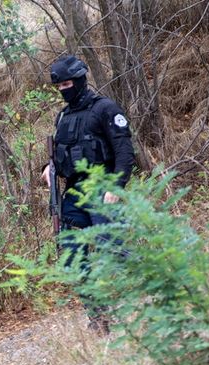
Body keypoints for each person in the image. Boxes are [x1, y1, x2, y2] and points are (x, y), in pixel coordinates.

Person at [41, 55, 135, 333]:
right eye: (59, 87)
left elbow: (124, 152)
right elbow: (63, 152)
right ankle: (99, 316)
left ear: (81, 80)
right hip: (74, 195)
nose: (64, 90)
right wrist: (49, 167)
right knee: (71, 257)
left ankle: (146, 292)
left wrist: (116, 186)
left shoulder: (105, 109)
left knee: (112, 250)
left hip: (102, 189)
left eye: (68, 83)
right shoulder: (63, 117)